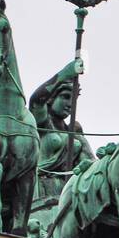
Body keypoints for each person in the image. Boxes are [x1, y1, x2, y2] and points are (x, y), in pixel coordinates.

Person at [30, 61, 92, 201]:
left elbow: (89, 161)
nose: (70, 104)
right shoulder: (42, 121)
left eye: (74, 99)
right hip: (41, 187)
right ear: (51, 97)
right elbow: (36, 100)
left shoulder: (74, 130)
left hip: (68, 191)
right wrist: (66, 73)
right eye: (65, 97)